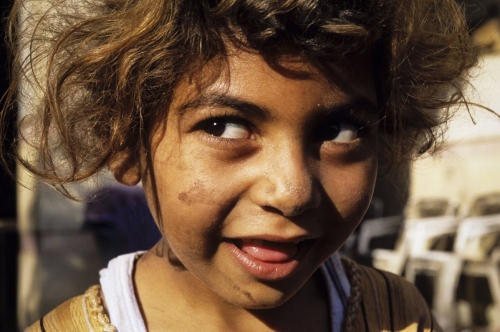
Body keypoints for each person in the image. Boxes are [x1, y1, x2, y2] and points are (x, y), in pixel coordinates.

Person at [2, 0, 477, 331]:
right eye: (224, 127)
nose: (292, 191)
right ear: (126, 142)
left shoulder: (393, 312)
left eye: (340, 131)